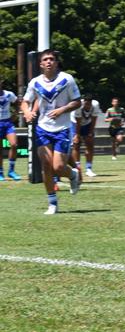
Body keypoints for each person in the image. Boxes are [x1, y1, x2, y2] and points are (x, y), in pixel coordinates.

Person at [21, 49, 82, 214]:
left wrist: (62, 110)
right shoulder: (35, 82)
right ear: (40, 64)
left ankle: (73, 175)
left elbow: (77, 102)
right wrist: (27, 112)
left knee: (59, 167)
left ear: (56, 63)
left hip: (62, 129)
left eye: (52, 59)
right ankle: (52, 203)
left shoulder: (67, 80)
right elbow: (25, 101)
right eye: (45, 59)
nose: (48, 61)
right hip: (42, 128)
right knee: (46, 166)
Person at [72, 94, 101, 177]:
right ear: (83, 102)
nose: (87, 106)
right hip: (75, 123)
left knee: (90, 144)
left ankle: (89, 169)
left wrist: (91, 132)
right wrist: (77, 135)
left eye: (89, 104)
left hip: (88, 123)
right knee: (76, 144)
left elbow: (94, 119)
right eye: (86, 104)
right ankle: (77, 168)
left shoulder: (95, 105)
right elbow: (78, 122)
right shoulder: (78, 106)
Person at [0, 87, 21, 181]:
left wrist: (15, 114)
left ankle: (11, 171)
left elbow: (18, 102)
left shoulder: (9, 94)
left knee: (14, 144)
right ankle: (0, 172)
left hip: (8, 123)